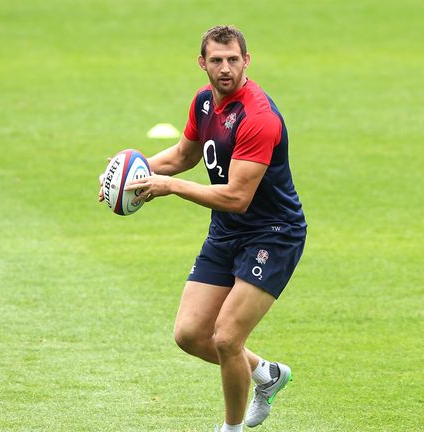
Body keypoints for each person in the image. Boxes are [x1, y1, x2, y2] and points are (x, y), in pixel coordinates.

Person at [100, 25, 306, 431]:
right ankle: (266, 374)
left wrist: (171, 187)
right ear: (202, 63)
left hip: (272, 234)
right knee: (191, 334)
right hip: (227, 231)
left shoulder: (258, 117)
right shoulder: (204, 103)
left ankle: (230, 429)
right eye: (216, 60)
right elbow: (182, 155)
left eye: (233, 59)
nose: (225, 68)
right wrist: (128, 176)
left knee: (227, 338)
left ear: (247, 61)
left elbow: (237, 197)